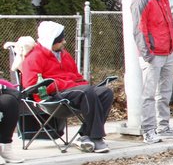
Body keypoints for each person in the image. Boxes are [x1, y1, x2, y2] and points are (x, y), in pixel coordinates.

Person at [21, 21, 114, 153]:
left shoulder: (64, 54)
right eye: (60, 40)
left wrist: (86, 85)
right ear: (51, 40)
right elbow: (31, 85)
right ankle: (97, 137)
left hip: (73, 91)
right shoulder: (34, 57)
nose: (64, 41)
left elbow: (76, 76)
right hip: (51, 96)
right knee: (86, 92)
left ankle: (85, 135)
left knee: (105, 92)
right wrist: (64, 84)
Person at [131, 0, 173, 145]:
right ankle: (148, 129)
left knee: (165, 91)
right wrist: (146, 53)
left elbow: (168, 22)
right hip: (153, 54)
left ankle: (163, 125)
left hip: (167, 51)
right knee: (149, 93)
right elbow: (138, 29)